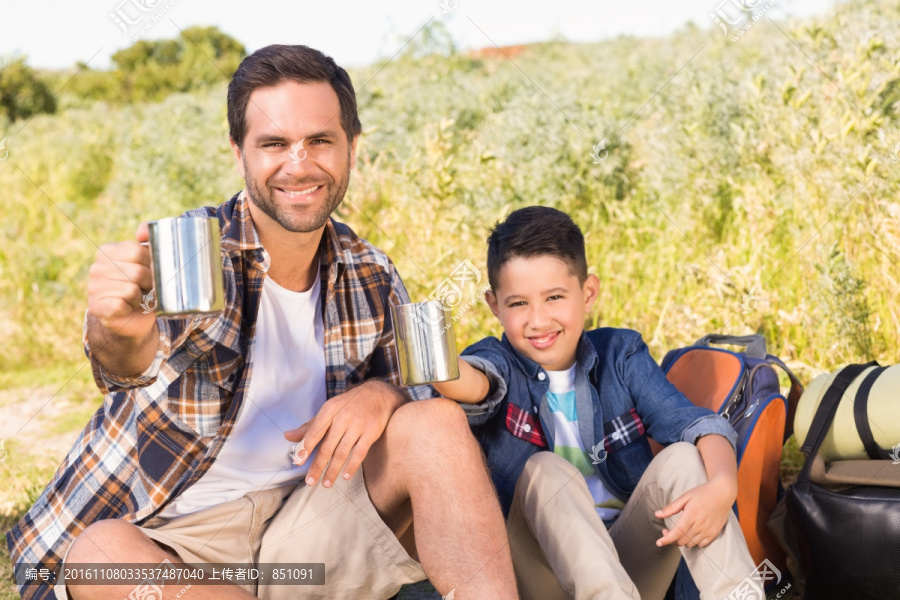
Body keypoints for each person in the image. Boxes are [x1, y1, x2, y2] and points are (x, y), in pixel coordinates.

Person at [6, 44, 517, 600]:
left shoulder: (370, 272)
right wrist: (114, 330)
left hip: (300, 534)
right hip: (170, 543)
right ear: (238, 152)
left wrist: (382, 396)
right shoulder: (194, 253)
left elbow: (424, 406)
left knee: (437, 425)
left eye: (320, 140)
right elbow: (125, 362)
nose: (299, 164)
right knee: (100, 555)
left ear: (351, 148)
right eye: (273, 143)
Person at [432, 206, 757, 600]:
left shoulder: (620, 355)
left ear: (587, 293)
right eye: (518, 304)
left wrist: (723, 487)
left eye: (554, 297)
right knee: (544, 470)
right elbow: (474, 384)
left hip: (627, 566)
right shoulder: (498, 360)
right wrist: (432, 360)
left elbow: (696, 424)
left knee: (686, 459)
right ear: (494, 306)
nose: (537, 320)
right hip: (536, 571)